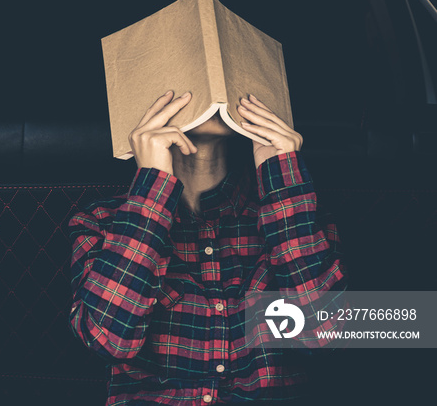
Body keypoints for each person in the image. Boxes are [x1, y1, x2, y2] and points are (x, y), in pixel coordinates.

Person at [68, 90, 348, 405]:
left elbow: (324, 338)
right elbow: (108, 341)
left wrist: (281, 176)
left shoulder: (296, 211)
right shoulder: (102, 221)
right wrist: (152, 187)